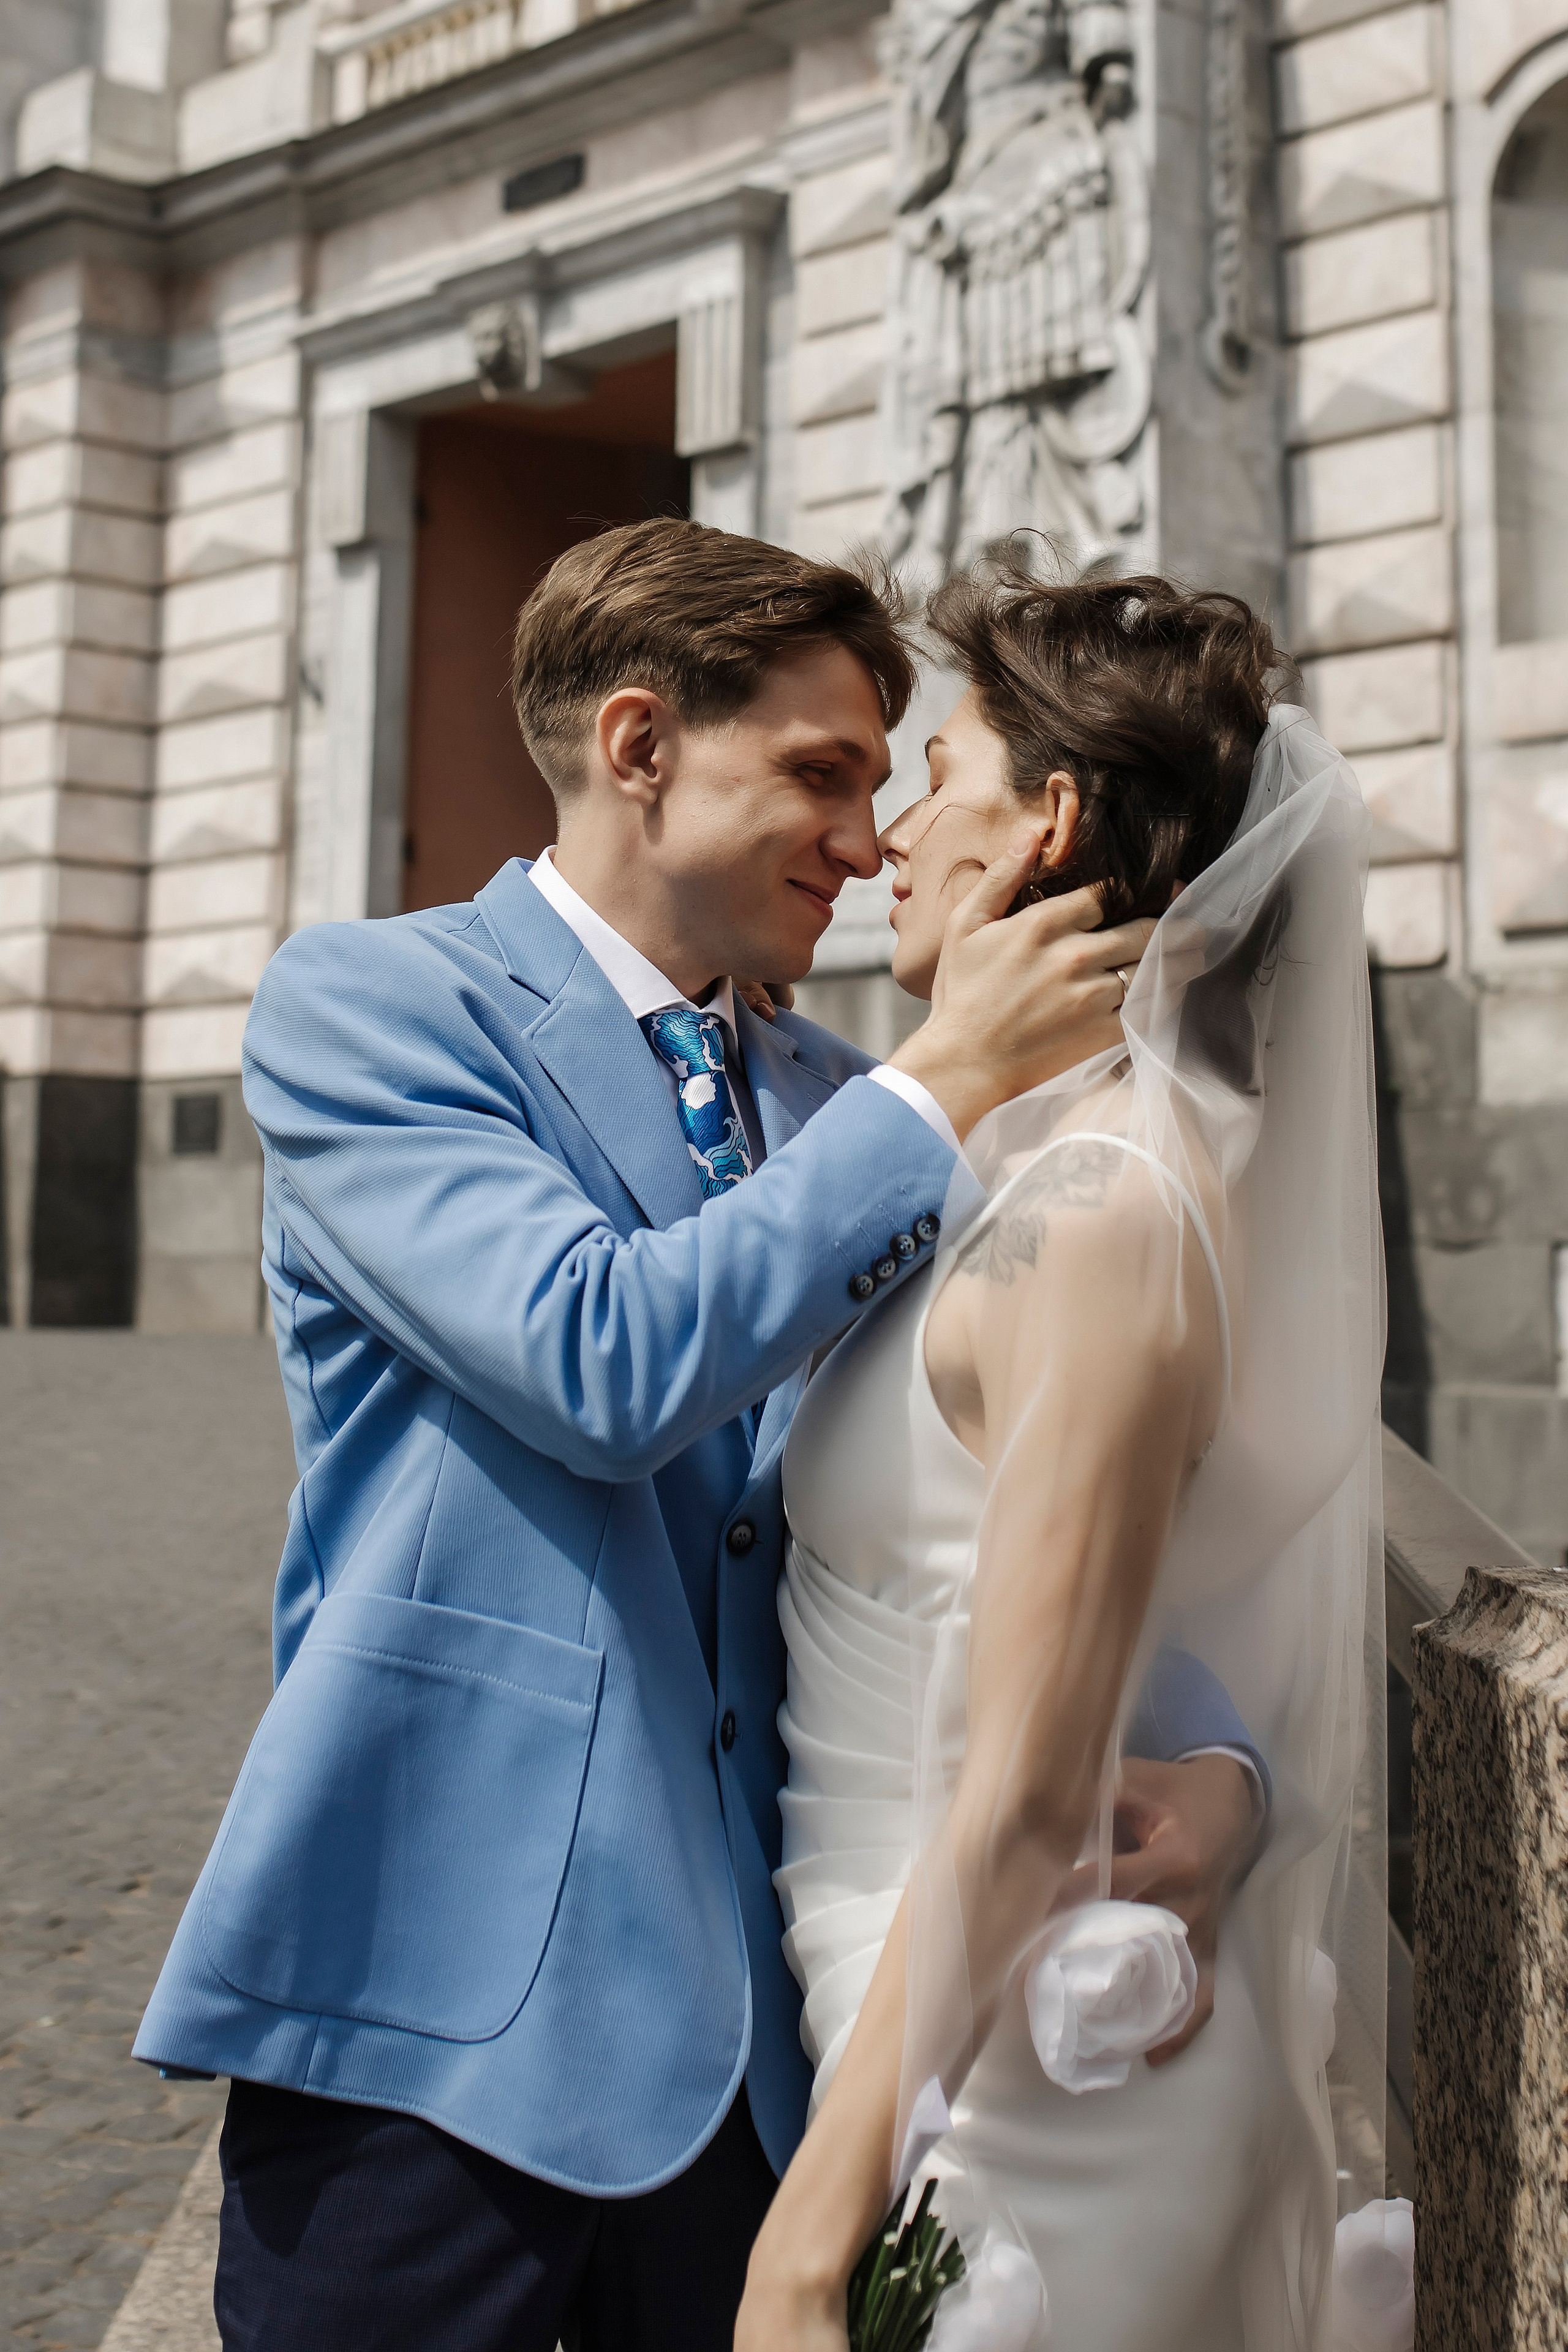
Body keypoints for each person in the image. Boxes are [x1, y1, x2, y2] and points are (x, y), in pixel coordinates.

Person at [133, 521, 1264, 2352]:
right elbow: (601, 1360)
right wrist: (939, 1086)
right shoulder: (372, 1010)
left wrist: (1225, 1774)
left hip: (777, 2056)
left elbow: (1031, 1498)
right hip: (443, 2024)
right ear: (641, 747)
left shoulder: (855, 1092)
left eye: (891, 781)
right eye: (819, 774)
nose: (862, 835)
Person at [738, 564, 1386, 2352]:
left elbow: (1029, 1791)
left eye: (937, 775)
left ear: (1052, 821)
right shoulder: (1017, 1158)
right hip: (923, 2025)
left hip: (1041, 2100)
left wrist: (805, 2251)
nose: (891, 841)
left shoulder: (1100, 1213)